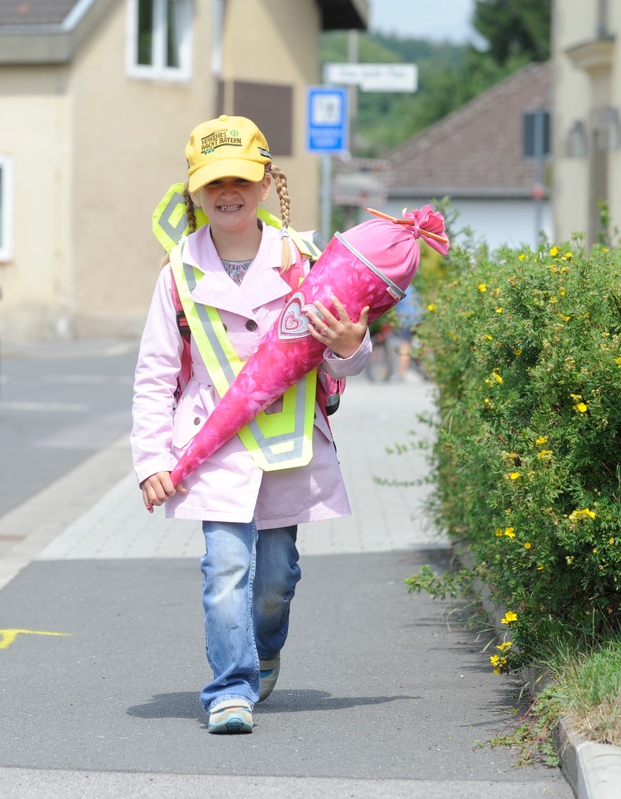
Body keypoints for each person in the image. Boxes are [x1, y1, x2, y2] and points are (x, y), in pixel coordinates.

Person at [130, 115, 372, 734]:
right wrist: (153, 460)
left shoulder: (304, 259)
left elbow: (344, 354)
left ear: (266, 183)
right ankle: (229, 689)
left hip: (288, 444)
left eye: (240, 178)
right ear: (194, 192)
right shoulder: (177, 272)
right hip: (212, 446)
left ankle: (264, 649)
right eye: (214, 182)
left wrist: (352, 342)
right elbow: (156, 372)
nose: (228, 192)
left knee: (274, 578)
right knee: (224, 570)